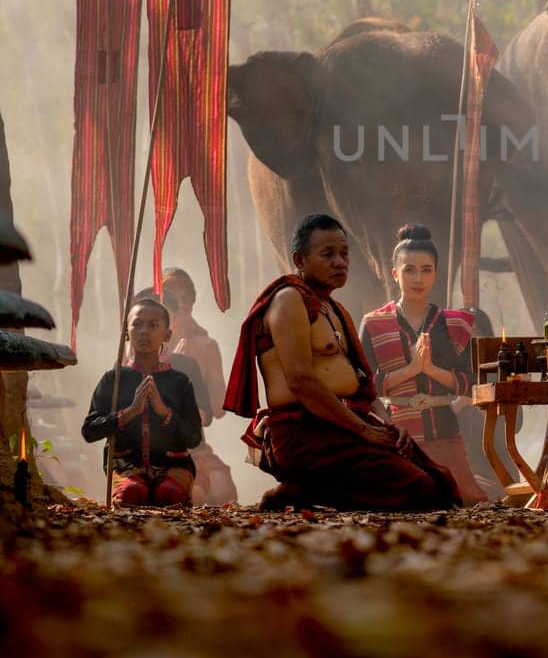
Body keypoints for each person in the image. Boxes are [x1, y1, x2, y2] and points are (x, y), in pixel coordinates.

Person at [222, 213, 461, 511]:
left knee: (442, 483)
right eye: (328, 254)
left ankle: (306, 490)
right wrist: (362, 430)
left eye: (344, 253)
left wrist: (387, 424)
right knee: (421, 490)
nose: (340, 262)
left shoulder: (333, 308)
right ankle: (304, 492)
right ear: (300, 259)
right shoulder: (289, 299)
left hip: (344, 427)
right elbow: (301, 381)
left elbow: (362, 385)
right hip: (304, 434)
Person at [359, 225, 487, 504]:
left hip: (445, 431)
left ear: (436, 274)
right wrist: (409, 371)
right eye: (409, 270)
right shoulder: (373, 323)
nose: (418, 278)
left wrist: (429, 370)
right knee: (402, 503)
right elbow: (362, 384)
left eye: (426, 270)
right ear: (395, 273)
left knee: (462, 501)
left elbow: (470, 381)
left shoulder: (454, 324)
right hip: (397, 436)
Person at [81, 297, 204, 507]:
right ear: (126, 332)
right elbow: (89, 431)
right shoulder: (113, 380)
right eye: (136, 324)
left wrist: (164, 411)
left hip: (174, 466)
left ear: (167, 334)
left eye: (153, 325)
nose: (143, 331)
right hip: (126, 466)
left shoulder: (180, 382)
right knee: (132, 493)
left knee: (169, 495)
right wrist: (130, 412)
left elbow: (194, 438)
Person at [159, 267, 239, 506]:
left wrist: (192, 376)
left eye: (186, 299)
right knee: (191, 495)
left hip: (194, 446)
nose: (181, 306)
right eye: (173, 299)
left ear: (193, 303)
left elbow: (218, 410)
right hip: (152, 444)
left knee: (224, 493)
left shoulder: (205, 345)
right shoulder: (142, 344)